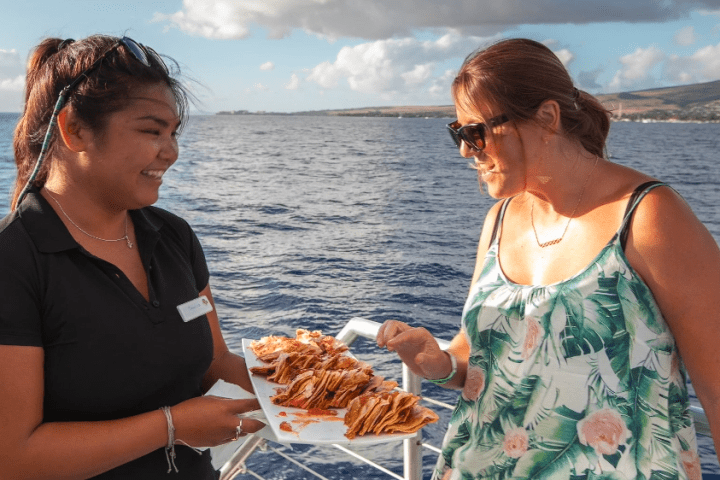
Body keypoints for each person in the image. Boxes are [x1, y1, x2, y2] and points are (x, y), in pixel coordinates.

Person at [377, 38, 720, 480]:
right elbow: (476, 362)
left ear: (547, 117)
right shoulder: (499, 220)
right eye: (457, 133)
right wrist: (437, 364)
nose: (465, 149)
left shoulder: (647, 215)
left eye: (475, 132)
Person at [0, 35, 264, 479]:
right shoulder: (14, 260)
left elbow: (214, 362)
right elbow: (14, 458)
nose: (172, 152)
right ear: (74, 129)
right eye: (151, 130)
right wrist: (172, 426)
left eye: (174, 133)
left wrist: (321, 387)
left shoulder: (174, 236)